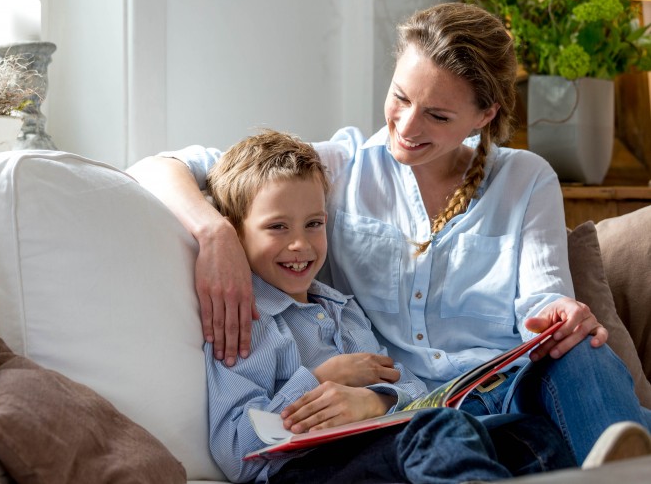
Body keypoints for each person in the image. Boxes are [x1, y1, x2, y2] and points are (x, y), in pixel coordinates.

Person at [128, 2, 651, 467]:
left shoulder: (526, 178)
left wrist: (560, 314)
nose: (406, 125)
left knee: (581, 350)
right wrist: (214, 232)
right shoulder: (337, 167)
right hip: (417, 416)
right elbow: (160, 165)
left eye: (437, 114)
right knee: (458, 440)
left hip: (513, 395)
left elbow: (543, 300)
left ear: (483, 116)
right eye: (400, 97)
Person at [200, 128, 573, 483]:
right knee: (439, 432)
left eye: (313, 224)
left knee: (530, 435)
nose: (300, 244)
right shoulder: (243, 320)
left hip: (383, 453)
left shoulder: (343, 309)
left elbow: (409, 388)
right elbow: (236, 452)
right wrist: (321, 379)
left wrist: (375, 403)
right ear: (235, 232)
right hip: (306, 470)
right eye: (278, 227)